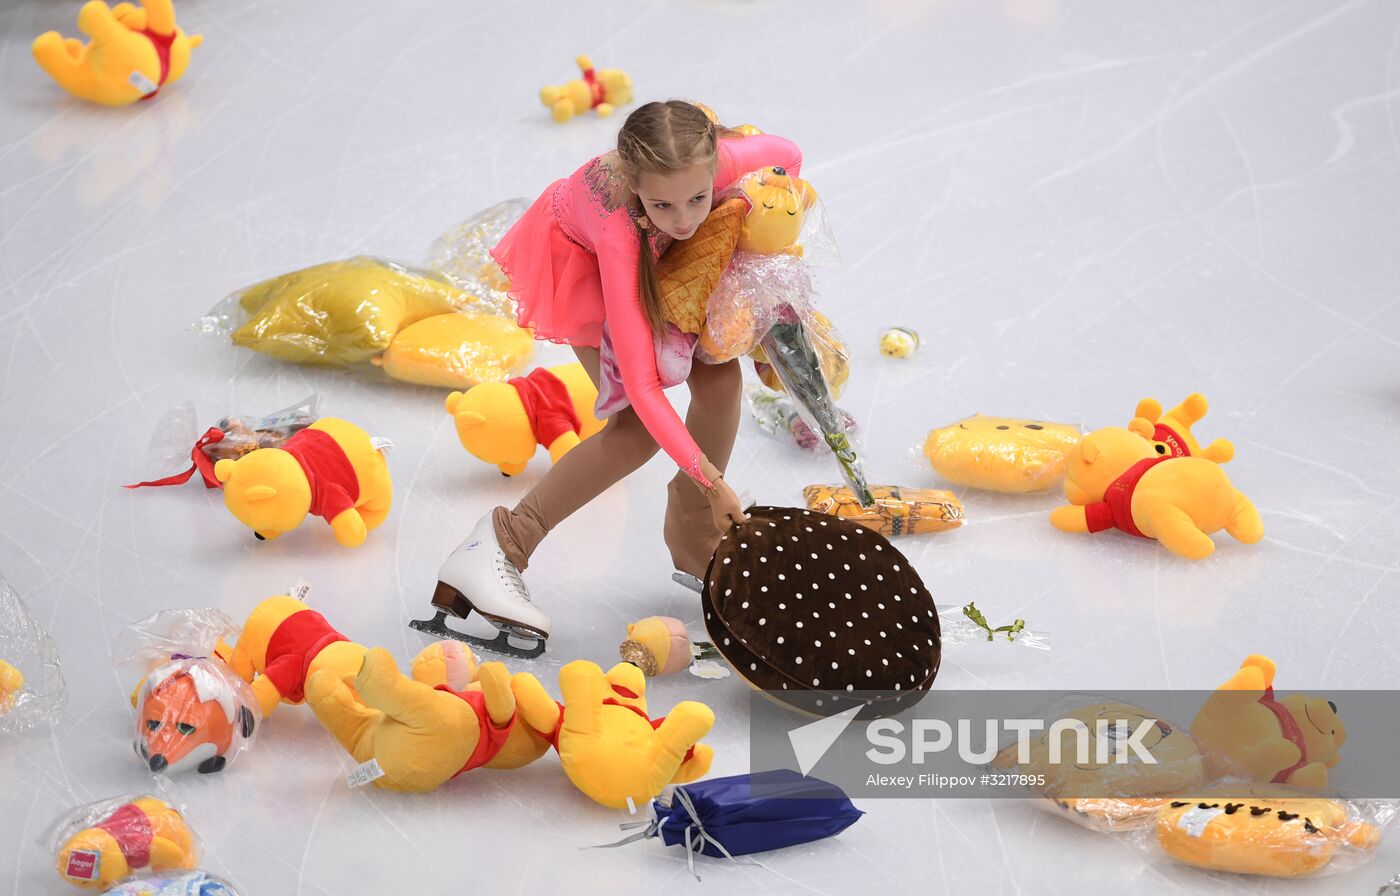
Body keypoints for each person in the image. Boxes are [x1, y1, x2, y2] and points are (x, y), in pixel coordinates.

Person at [429, 100, 804, 651]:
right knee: (633, 433)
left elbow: (789, 159)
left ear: (714, 167)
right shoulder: (617, 236)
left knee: (720, 378)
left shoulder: (717, 166)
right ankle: (500, 545)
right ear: (634, 184)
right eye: (664, 204)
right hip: (581, 261)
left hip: (656, 250)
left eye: (699, 198)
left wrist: (758, 237)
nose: (685, 220)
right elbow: (646, 391)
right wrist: (713, 481)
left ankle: (693, 529)